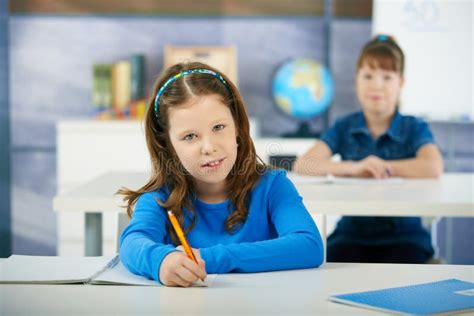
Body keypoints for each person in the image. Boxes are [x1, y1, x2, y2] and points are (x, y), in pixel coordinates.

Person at [118, 62, 324, 287]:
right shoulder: (160, 198)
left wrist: (207, 258)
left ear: (237, 126)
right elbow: (132, 243)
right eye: (189, 137)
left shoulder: (273, 186)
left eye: (218, 128)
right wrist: (161, 261)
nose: (208, 147)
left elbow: (309, 245)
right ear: (167, 145)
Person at [293, 35, 443, 264]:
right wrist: (354, 168)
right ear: (357, 80)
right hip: (351, 235)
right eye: (368, 76)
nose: (376, 85)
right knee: (329, 273)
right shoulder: (345, 126)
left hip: (405, 237)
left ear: (401, 83)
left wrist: (385, 166)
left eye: (387, 77)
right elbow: (304, 164)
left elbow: (432, 166)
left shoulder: (414, 127)